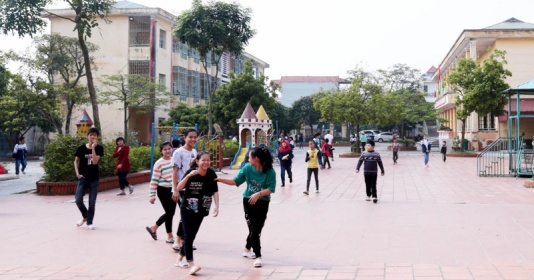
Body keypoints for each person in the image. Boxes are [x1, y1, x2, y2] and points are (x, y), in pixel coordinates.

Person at [215, 146, 276, 268]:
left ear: (256, 159)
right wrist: (219, 179)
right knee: (254, 229)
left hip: (263, 202)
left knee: (257, 228)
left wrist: (258, 194)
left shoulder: (270, 171)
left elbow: (271, 189)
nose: (248, 159)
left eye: (249, 157)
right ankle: (258, 256)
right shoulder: (247, 168)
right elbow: (235, 181)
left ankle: (247, 248)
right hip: (248, 202)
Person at [174, 151, 219, 275]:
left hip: (203, 207)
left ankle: (179, 259)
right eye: (203, 160)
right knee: (188, 235)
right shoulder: (191, 172)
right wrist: (188, 177)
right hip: (187, 207)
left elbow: (215, 190)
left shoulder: (211, 173)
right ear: (197, 161)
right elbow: (179, 188)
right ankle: (191, 264)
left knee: (192, 236)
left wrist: (217, 206)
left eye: (208, 160)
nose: (206, 162)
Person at [171, 129, 199, 251]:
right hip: (181, 188)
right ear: (184, 137)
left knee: (192, 214)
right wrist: (175, 189)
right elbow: (175, 171)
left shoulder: (194, 152)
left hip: (193, 188)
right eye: (190, 137)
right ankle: (178, 239)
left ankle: (185, 240)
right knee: (185, 214)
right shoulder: (178, 152)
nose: (193, 139)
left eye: (195, 137)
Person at [74, 128, 104, 230]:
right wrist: (78, 174)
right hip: (82, 178)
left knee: (92, 202)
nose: (92, 137)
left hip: (94, 178)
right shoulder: (81, 148)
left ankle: (89, 222)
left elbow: (95, 161)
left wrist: (93, 148)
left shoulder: (99, 148)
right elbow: (76, 161)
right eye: (90, 135)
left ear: (97, 137)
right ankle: (85, 216)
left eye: (94, 135)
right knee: (78, 200)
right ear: (87, 136)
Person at [146, 142, 175, 242]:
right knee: (170, 212)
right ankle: (169, 236)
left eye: (169, 148)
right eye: (165, 149)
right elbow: (154, 180)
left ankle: (154, 228)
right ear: (161, 151)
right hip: (163, 190)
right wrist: (152, 195)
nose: (167, 151)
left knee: (171, 213)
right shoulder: (159, 163)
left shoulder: (174, 160)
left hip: (173, 190)